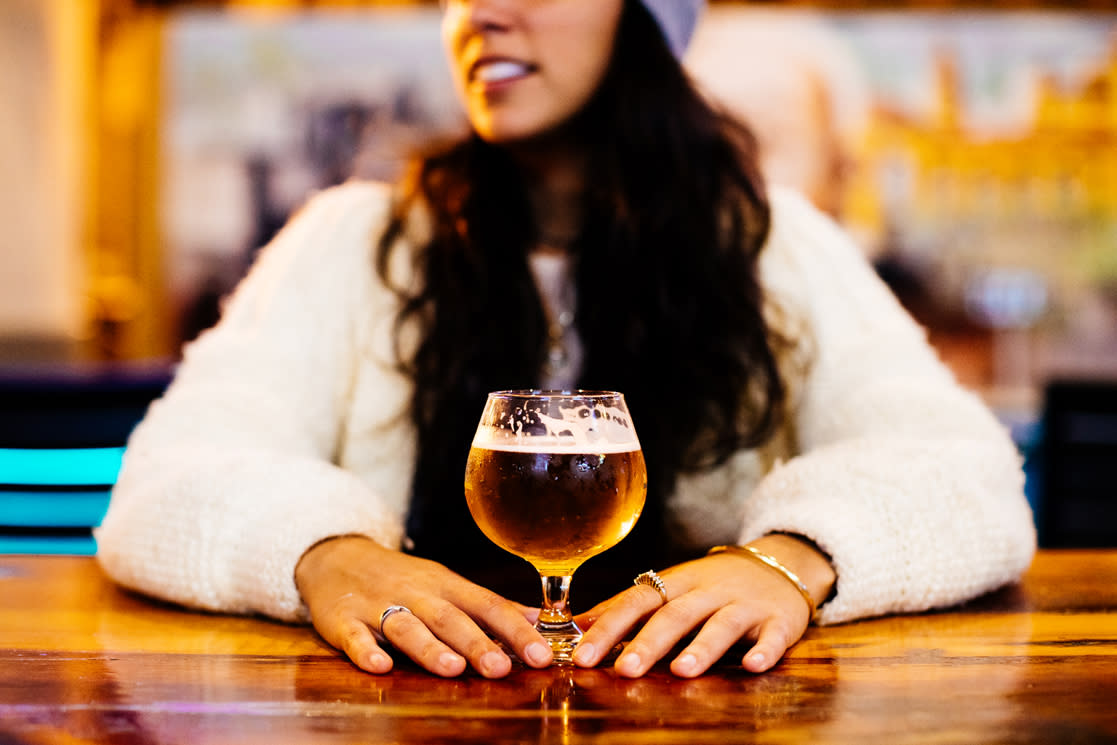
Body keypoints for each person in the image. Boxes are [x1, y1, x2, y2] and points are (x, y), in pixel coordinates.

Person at [96, 0, 1036, 681]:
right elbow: (165, 478)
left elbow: (965, 470)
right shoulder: (353, 239)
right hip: (402, 711)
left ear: (644, 21)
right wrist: (323, 554)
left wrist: (787, 561)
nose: (481, 15)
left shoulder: (766, 242)